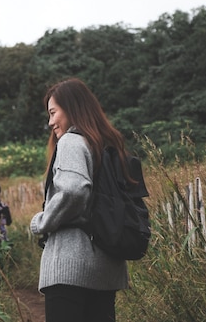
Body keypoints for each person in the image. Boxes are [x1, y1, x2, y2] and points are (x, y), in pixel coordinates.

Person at [30, 77, 133, 322]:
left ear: (73, 108)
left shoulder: (71, 141)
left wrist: (41, 221)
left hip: (70, 268)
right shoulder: (107, 146)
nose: (50, 122)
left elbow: (74, 190)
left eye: (54, 113)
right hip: (106, 266)